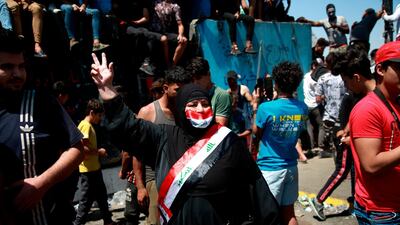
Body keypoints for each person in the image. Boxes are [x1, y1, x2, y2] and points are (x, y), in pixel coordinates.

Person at [90, 52, 280, 225]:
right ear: (181, 109)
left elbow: (256, 190)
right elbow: (128, 129)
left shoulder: (228, 142)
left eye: (204, 104)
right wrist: (107, 90)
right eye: (193, 104)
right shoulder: (164, 136)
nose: (199, 109)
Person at [0, 27, 84, 224]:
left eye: (21, 66)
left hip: (47, 217)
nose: (18, 74)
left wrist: (41, 184)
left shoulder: (40, 103)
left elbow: (77, 149)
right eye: (8, 67)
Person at [308, 47, 376, 221]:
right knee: (343, 171)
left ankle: (354, 203)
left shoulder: (370, 100)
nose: (345, 87)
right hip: (346, 141)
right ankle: (322, 200)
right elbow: (343, 125)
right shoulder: (351, 98)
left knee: (351, 172)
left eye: (345, 82)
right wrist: (346, 136)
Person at [121, 67, 191, 225]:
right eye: (178, 90)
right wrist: (140, 187)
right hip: (155, 180)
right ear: (166, 88)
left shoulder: (183, 112)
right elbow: (136, 153)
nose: (182, 94)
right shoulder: (148, 112)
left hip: (180, 180)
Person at [349, 41, 400, 224]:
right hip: (384, 213)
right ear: (380, 69)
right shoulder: (368, 109)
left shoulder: (395, 102)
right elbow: (371, 164)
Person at [253, 61, 308, 225]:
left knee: (267, 215)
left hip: (270, 168)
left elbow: (257, 134)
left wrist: (256, 106)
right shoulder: (302, 107)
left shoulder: (265, 108)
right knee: (289, 213)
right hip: (291, 167)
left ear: (275, 83)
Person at [74, 99, 114, 225]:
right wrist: (99, 152)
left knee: (102, 196)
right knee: (86, 200)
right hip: (88, 171)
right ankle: (78, 223)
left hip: (94, 168)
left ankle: (108, 221)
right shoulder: (85, 125)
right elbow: (83, 149)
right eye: (99, 115)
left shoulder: (86, 125)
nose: (100, 118)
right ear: (92, 112)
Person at [315, 52, 346, 157]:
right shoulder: (344, 76)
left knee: (333, 144)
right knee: (343, 145)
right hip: (344, 115)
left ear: (327, 63)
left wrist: (327, 97)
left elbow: (318, 99)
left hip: (329, 116)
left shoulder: (322, 79)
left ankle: (337, 165)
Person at [186, 57, 232, 126]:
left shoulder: (221, 96)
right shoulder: (191, 95)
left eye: (198, 78)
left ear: (208, 74)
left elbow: (219, 127)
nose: (195, 83)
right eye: (192, 80)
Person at [150, 0, 187, 67]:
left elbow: (180, 24)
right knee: (163, 40)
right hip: (153, 31)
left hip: (166, 32)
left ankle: (173, 65)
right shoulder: (156, 2)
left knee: (184, 40)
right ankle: (166, 63)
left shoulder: (175, 6)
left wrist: (181, 35)